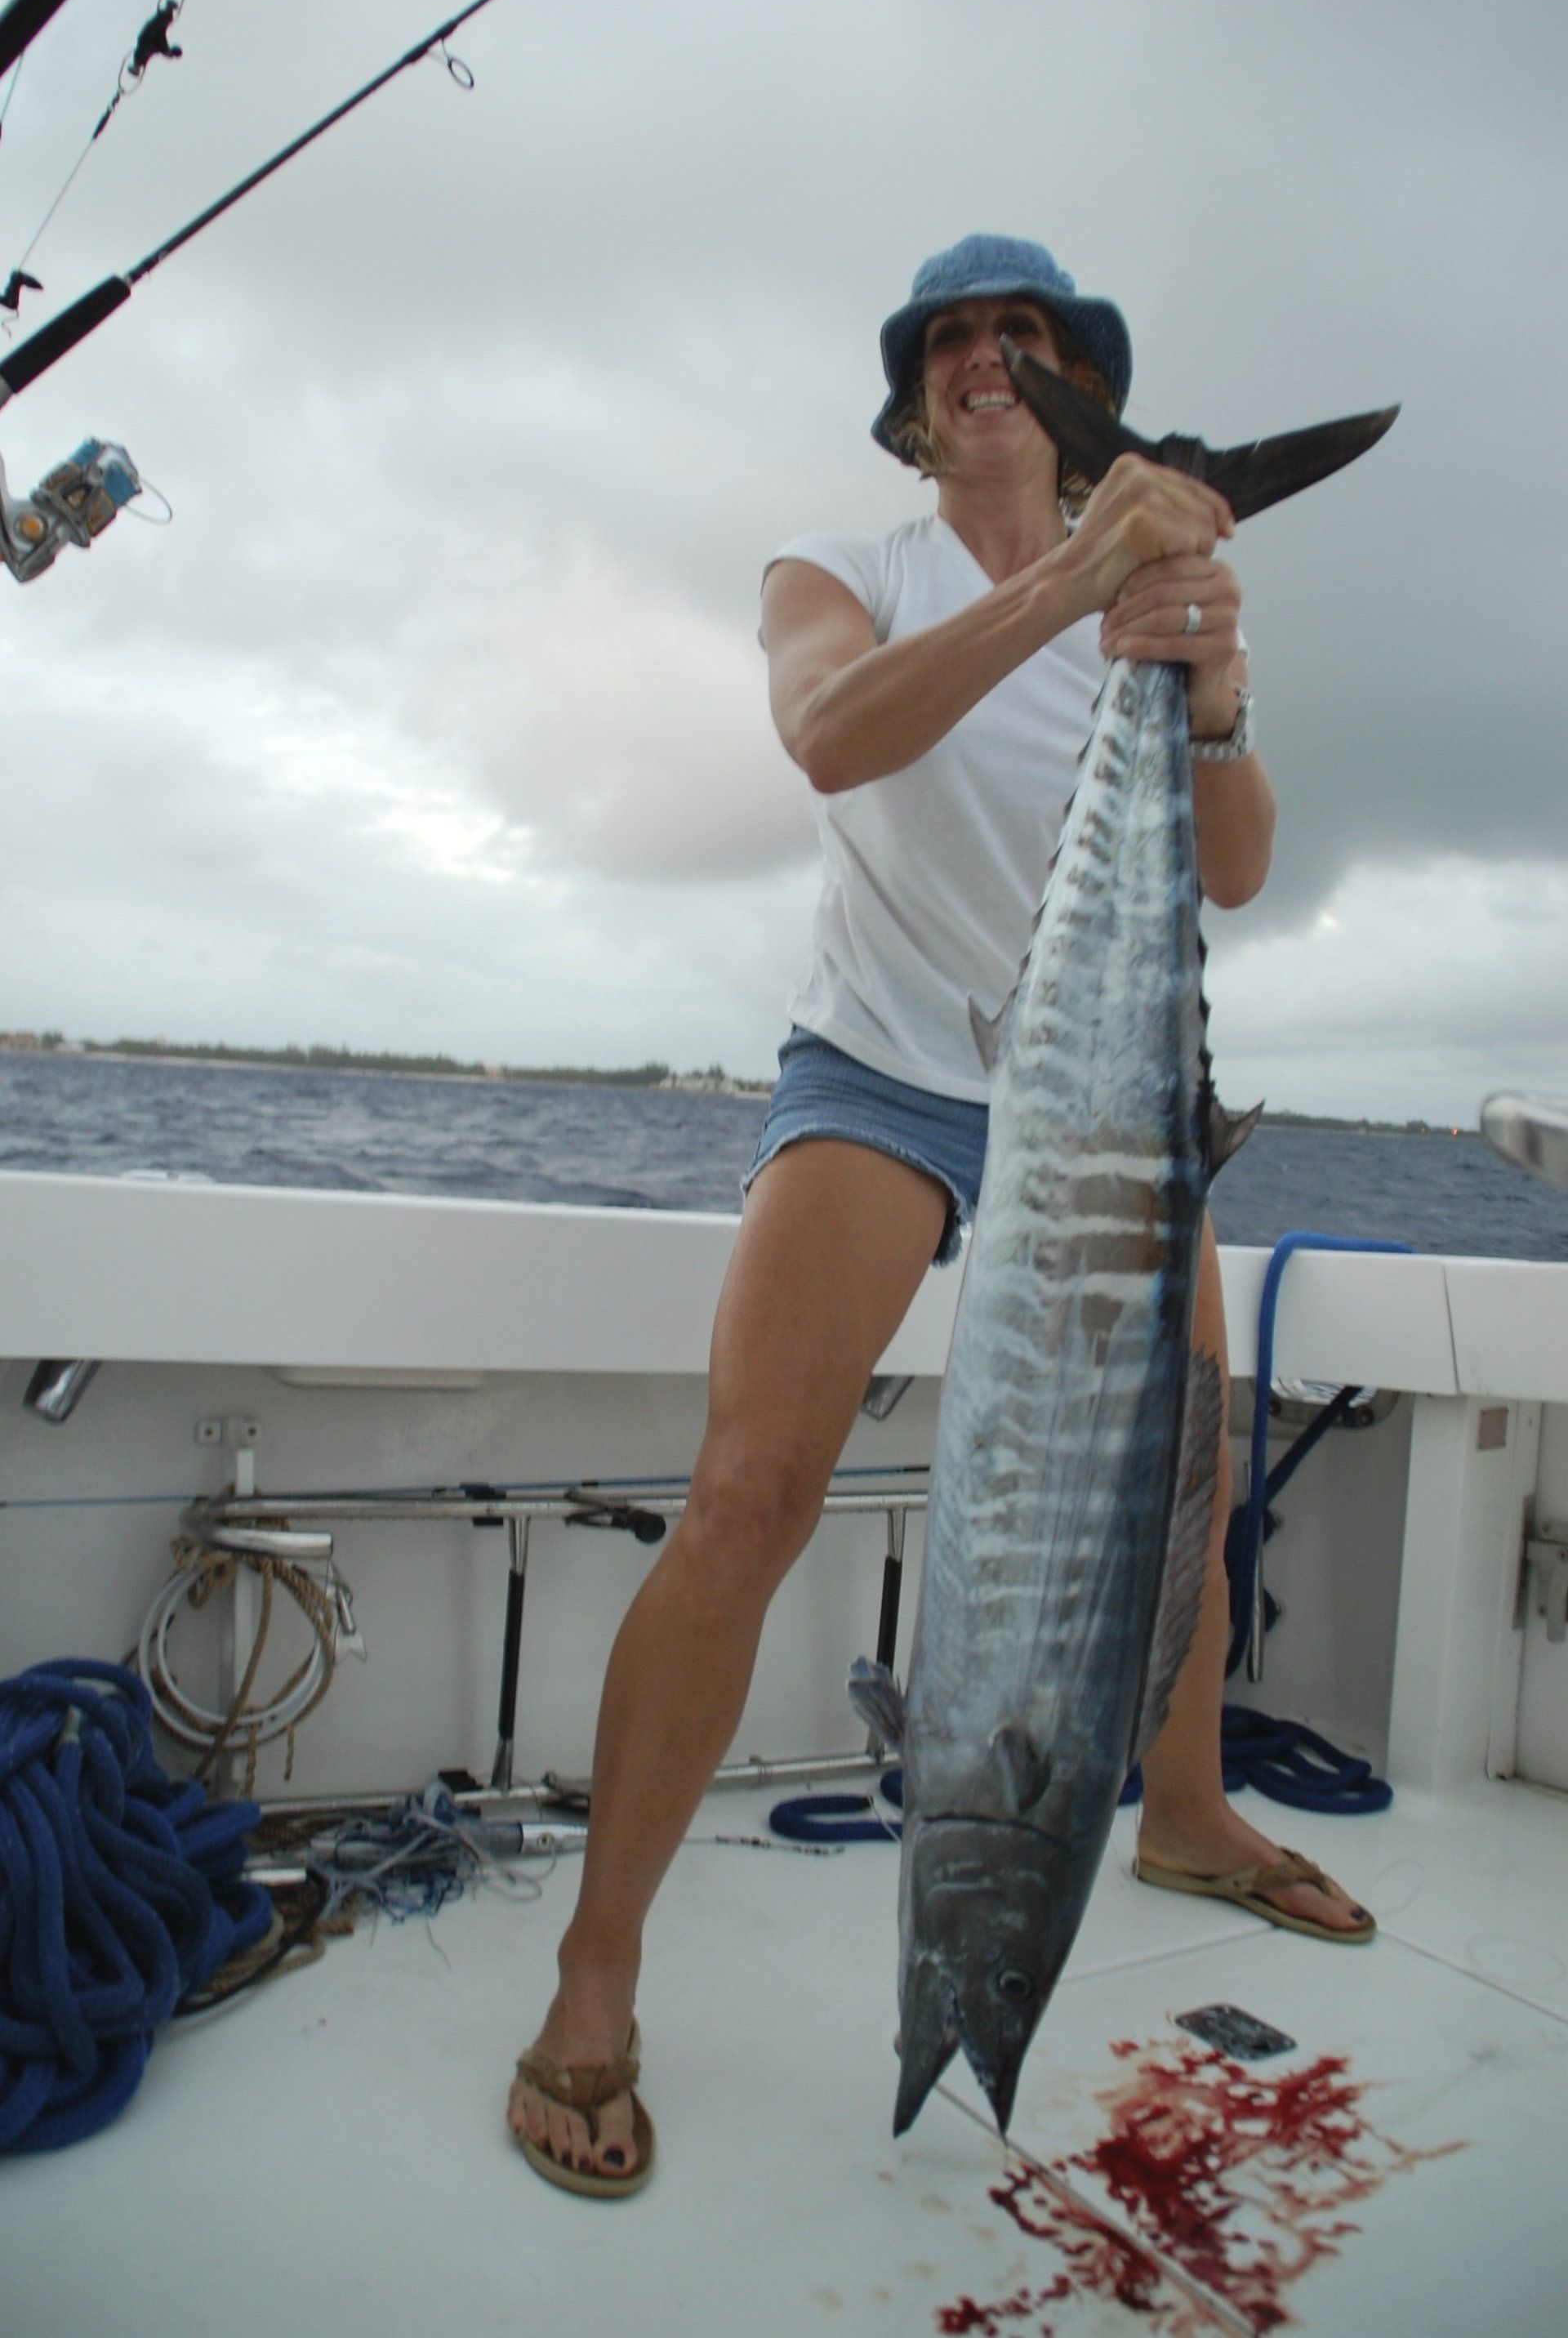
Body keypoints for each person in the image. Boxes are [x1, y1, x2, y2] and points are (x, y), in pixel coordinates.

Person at [508, 234, 1373, 2199]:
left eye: (1027, 334)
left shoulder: (1152, 594)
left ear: (1080, 386)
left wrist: (1209, 681)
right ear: (916, 396)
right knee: (750, 1492)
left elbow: (1236, 868)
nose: (991, 356)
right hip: (888, 1070)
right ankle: (595, 1964)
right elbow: (829, 735)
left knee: (1176, 1479)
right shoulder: (842, 571)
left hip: (1111, 1090)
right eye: (957, 338)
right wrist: (1082, 578)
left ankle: (1187, 1811)